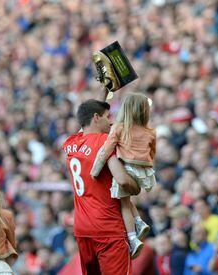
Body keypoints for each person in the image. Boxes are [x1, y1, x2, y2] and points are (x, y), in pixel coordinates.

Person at [63, 91, 141, 275]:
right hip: (108, 227)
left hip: (83, 228)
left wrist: (105, 89)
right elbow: (121, 179)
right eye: (108, 117)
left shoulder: (71, 143)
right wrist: (135, 187)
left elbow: (88, 116)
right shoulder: (104, 141)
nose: (111, 121)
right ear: (97, 118)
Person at [90, 92, 156, 256]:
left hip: (127, 168)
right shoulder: (150, 132)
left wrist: (95, 170)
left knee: (124, 204)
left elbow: (106, 151)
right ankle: (139, 221)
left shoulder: (119, 128)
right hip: (144, 171)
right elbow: (152, 153)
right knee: (126, 198)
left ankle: (133, 238)